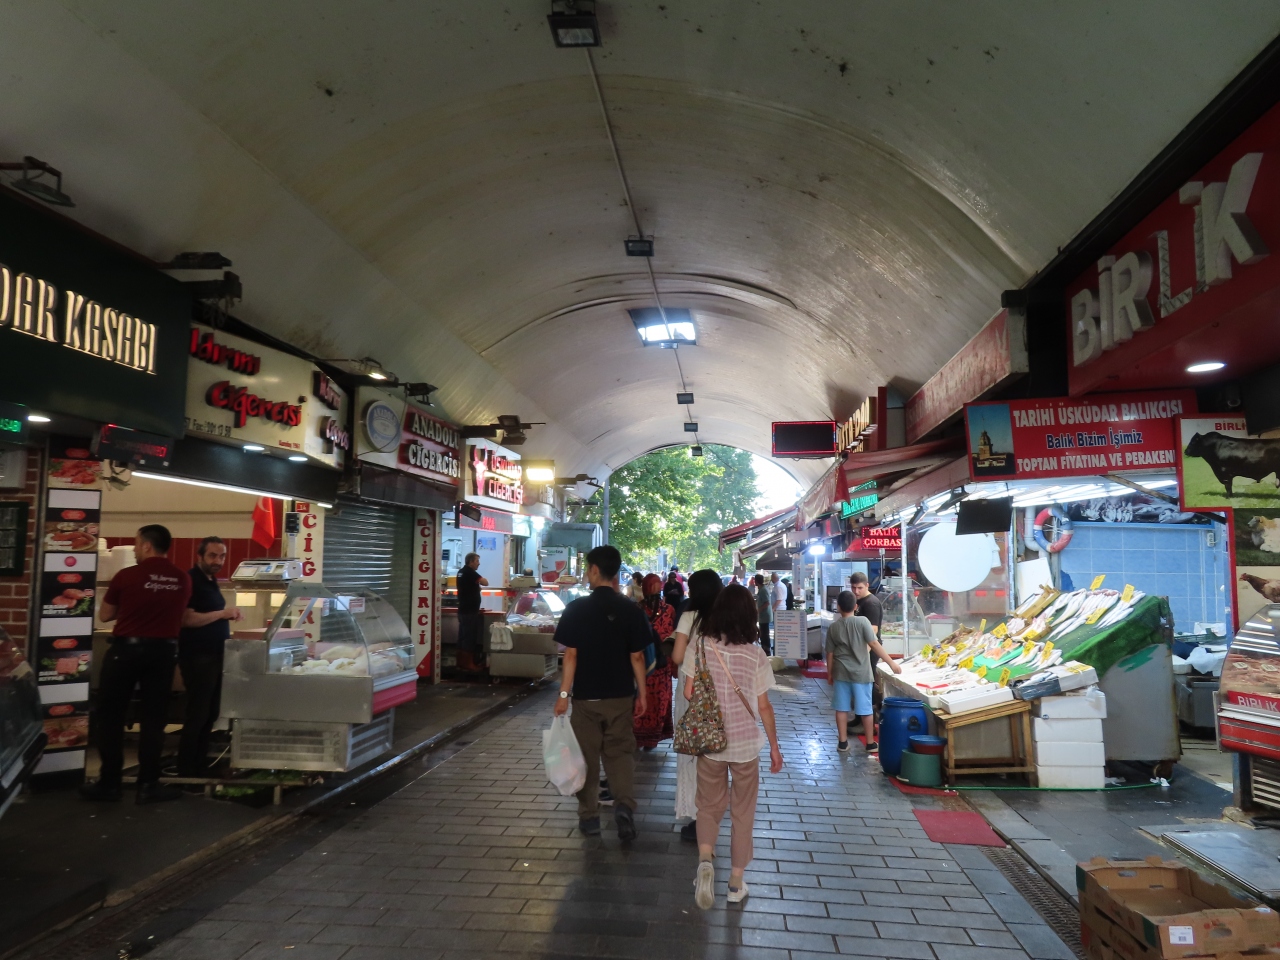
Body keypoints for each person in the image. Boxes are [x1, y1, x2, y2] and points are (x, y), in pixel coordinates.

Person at [684, 584, 784, 909]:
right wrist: (774, 747)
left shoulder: (700, 645)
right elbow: (764, 706)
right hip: (745, 746)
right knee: (743, 812)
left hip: (711, 741)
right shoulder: (755, 655)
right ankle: (736, 882)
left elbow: (688, 692)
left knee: (708, 805)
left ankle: (704, 860)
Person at [83, 525, 192, 804]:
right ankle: (148, 785)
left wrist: (131, 606)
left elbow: (105, 615)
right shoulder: (182, 579)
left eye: (136, 543)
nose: (133, 548)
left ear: (146, 545)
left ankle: (110, 783)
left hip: (125, 653)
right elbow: (179, 615)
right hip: (163, 654)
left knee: (111, 717)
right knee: (154, 720)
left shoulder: (127, 575)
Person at [553, 545, 651, 841]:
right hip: (620, 696)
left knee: (586, 756)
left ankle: (589, 817)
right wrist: (642, 694)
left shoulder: (576, 609)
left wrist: (563, 695)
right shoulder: (631, 610)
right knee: (619, 754)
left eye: (587, 569)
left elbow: (571, 655)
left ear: (595, 570)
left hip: (586, 698)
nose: (587, 573)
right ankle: (624, 806)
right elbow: (638, 657)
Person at [177, 536, 242, 780]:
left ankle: (200, 765)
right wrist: (222, 614)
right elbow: (186, 619)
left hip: (215, 656)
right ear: (200, 556)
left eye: (222, 556)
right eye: (213, 555)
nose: (218, 561)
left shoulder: (211, 581)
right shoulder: (191, 580)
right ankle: (186, 768)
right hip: (197, 657)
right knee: (198, 714)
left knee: (211, 713)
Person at [671, 568, 723, 842]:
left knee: (692, 752)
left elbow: (677, 656)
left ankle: (696, 816)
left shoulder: (689, 616)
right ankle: (713, 812)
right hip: (721, 693)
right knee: (716, 752)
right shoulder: (726, 617)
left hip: (691, 691)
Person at [826, 590, 900, 753]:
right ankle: (870, 743)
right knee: (866, 709)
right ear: (856, 606)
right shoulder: (863, 622)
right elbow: (874, 644)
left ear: (838, 607)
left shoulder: (833, 627)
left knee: (841, 708)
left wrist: (829, 674)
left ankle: (842, 743)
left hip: (841, 674)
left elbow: (829, 653)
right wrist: (891, 663)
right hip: (861, 673)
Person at [634, 573, 676, 751]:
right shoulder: (669, 610)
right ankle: (650, 740)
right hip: (660, 666)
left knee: (642, 701)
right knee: (658, 702)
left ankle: (640, 738)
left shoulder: (636, 610)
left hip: (643, 667)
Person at [850, 571, 885, 711]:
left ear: (867, 586)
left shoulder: (871, 603)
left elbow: (873, 630)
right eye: (853, 588)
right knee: (859, 684)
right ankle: (860, 716)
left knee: (865, 684)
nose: (856, 591)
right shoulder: (858, 601)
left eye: (860, 588)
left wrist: (864, 652)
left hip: (869, 650)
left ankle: (870, 712)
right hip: (860, 648)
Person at [455, 553, 488, 673]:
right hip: (469, 611)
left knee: (463, 637)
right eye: (477, 561)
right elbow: (485, 582)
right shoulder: (470, 572)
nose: (479, 563)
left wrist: (475, 588)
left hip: (463, 610)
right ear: (471, 561)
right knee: (469, 637)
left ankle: (460, 663)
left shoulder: (461, 572)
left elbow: (467, 587)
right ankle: (468, 664)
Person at [753, 573, 773, 656]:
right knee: (763, 632)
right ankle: (765, 648)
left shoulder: (763, 590)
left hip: (765, 615)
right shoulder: (762, 589)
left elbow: (767, 603)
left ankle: (766, 649)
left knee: (764, 633)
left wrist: (758, 610)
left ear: (756, 581)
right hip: (763, 616)